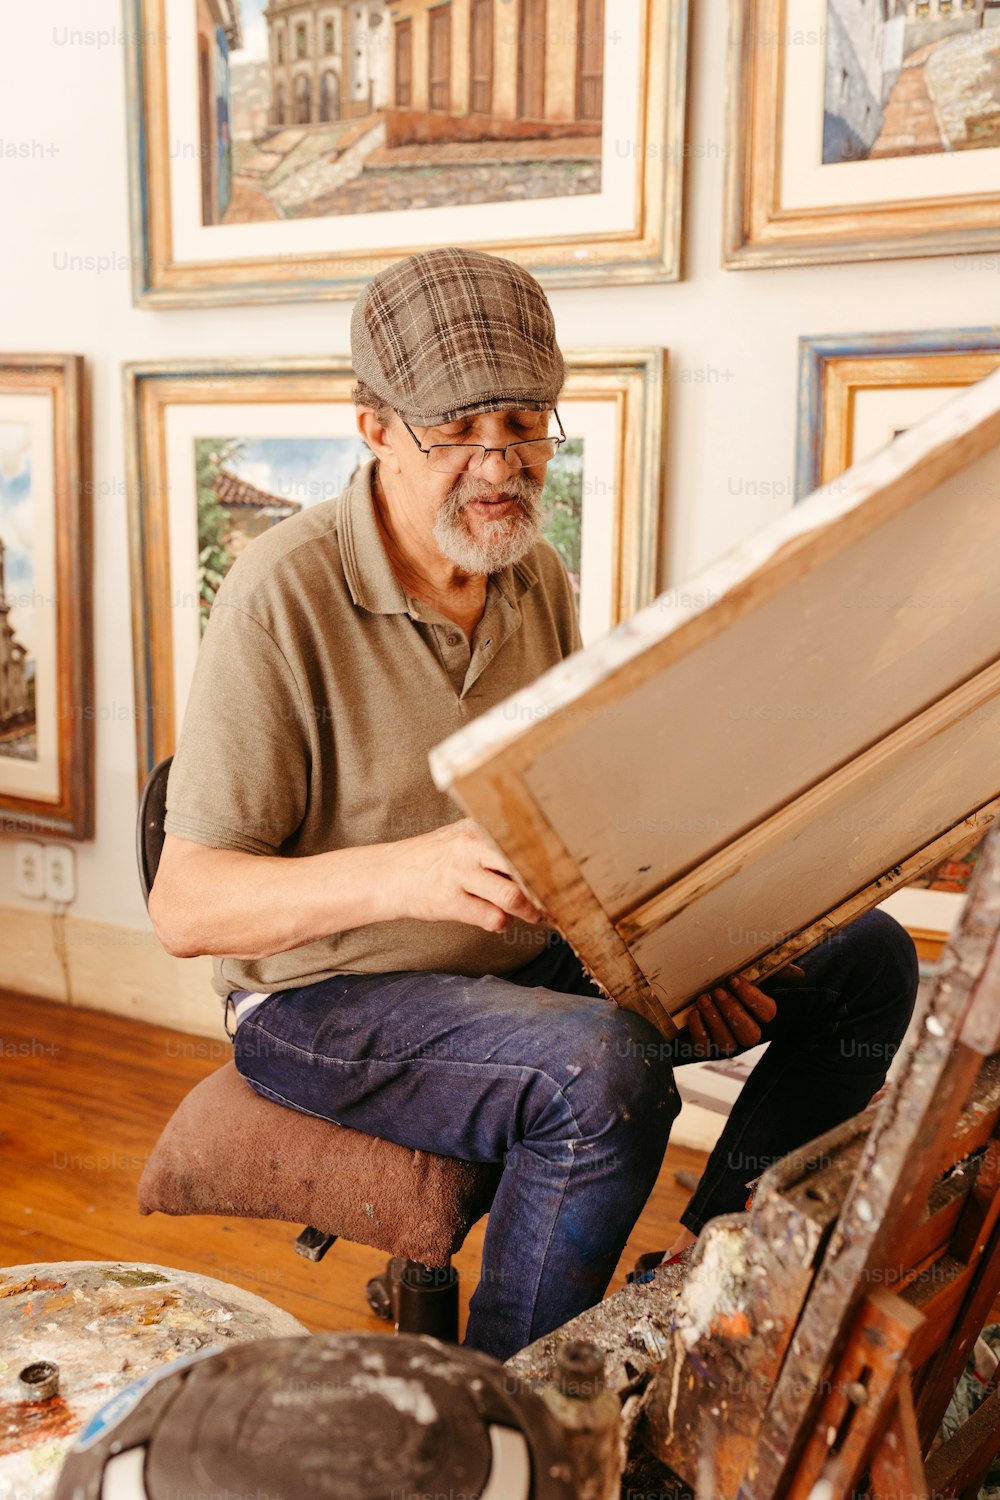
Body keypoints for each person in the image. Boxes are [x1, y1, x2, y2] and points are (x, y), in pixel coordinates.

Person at [148, 247, 919, 1363]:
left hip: (510, 961)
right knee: (596, 1070)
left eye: (523, 422)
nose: (498, 463)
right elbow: (186, 908)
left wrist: (666, 955)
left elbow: (576, 824)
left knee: (863, 959)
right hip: (319, 1001)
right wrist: (411, 870)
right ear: (373, 428)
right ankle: (514, 1412)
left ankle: (697, 1296)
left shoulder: (532, 575)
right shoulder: (280, 592)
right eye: (456, 429)